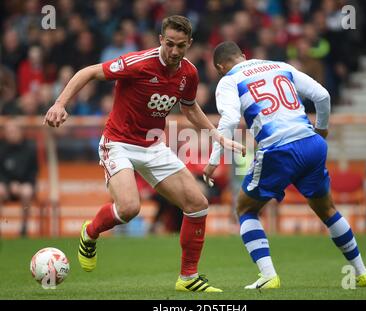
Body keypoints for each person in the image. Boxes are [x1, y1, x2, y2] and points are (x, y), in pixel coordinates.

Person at [44, 16, 245, 293]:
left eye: (181, 46)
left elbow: (189, 107)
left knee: (198, 203)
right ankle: (90, 233)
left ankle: (188, 278)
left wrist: (216, 133)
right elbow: (88, 72)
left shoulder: (189, 73)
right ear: (161, 39)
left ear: (190, 44)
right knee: (129, 208)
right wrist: (59, 104)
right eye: (170, 44)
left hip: (153, 146)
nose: (175, 51)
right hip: (118, 143)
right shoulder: (138, 63)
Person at [203, 41, 366, 289]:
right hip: (311, 143)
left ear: (219, 66)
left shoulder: (229, 80)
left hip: (278, 149)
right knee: (326, 209)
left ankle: (269, 275)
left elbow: (228, 119)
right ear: (243, 54)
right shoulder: (280, 66)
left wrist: (213, 161)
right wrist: (322, 128)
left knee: (245, 209)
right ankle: (361, 271)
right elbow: (322, 95)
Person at [0, 119, 38, 237]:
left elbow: (33, 171)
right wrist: (9, 183)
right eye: (8, 131)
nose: (11, 134)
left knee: (27, 191)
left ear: (20, 132)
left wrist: (21, 184)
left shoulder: (30, 148)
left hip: (24, 184)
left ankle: (24, 228)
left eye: (14, 131)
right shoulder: (1, 148)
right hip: (6, 186)